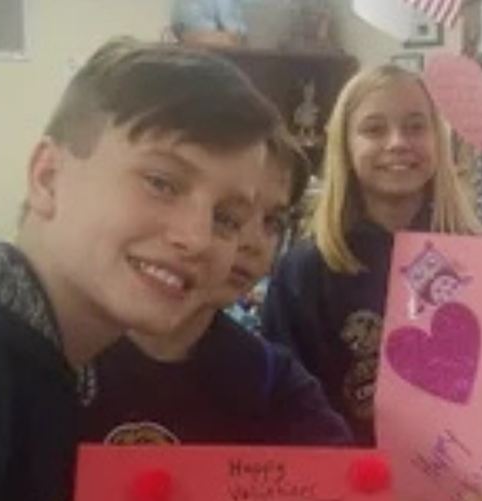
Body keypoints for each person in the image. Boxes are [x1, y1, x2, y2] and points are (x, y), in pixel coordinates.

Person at [0, 38, 277, 501]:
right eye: (161, 183)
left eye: (226, 218)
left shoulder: (52, 368)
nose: (198, 239)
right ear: (47, 177)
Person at [260, 64, 482, 445]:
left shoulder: (477, 256)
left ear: (438, 140)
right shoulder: (306, 271)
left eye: (416, 126)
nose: (398, 142)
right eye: (374, 129)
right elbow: (283, 406)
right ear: (345, 147)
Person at [80, 128, 351, 446]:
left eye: (272, 221)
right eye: (227, 215)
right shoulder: (68, 352)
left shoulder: (269, 379)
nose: (253, 242)